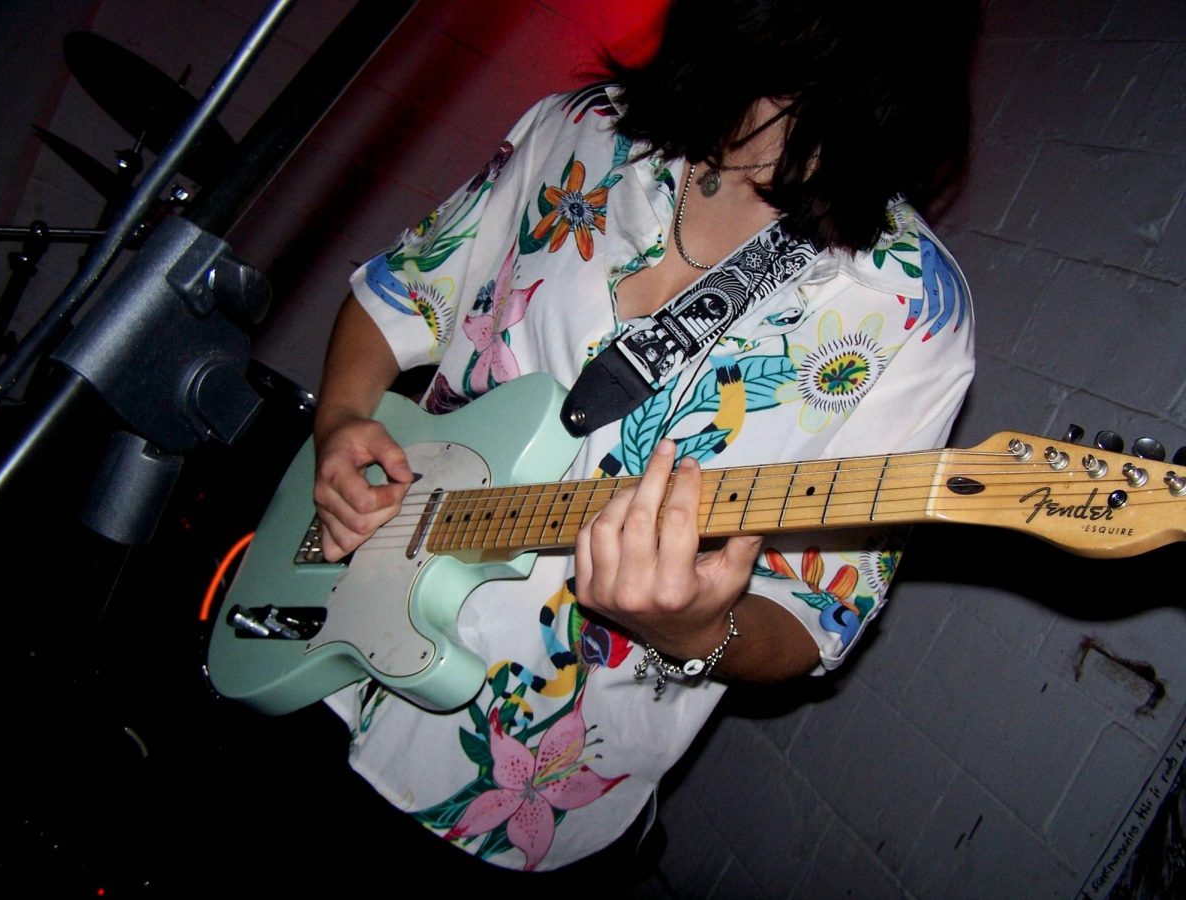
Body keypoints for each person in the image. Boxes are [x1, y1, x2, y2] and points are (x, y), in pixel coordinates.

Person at [311, 0, 978, 877]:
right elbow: (400, 295)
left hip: (514, 812)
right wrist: (339, 424)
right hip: (324, 661)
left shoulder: (912, 308)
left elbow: (820, 617)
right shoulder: (582, 129)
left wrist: (701, 627)